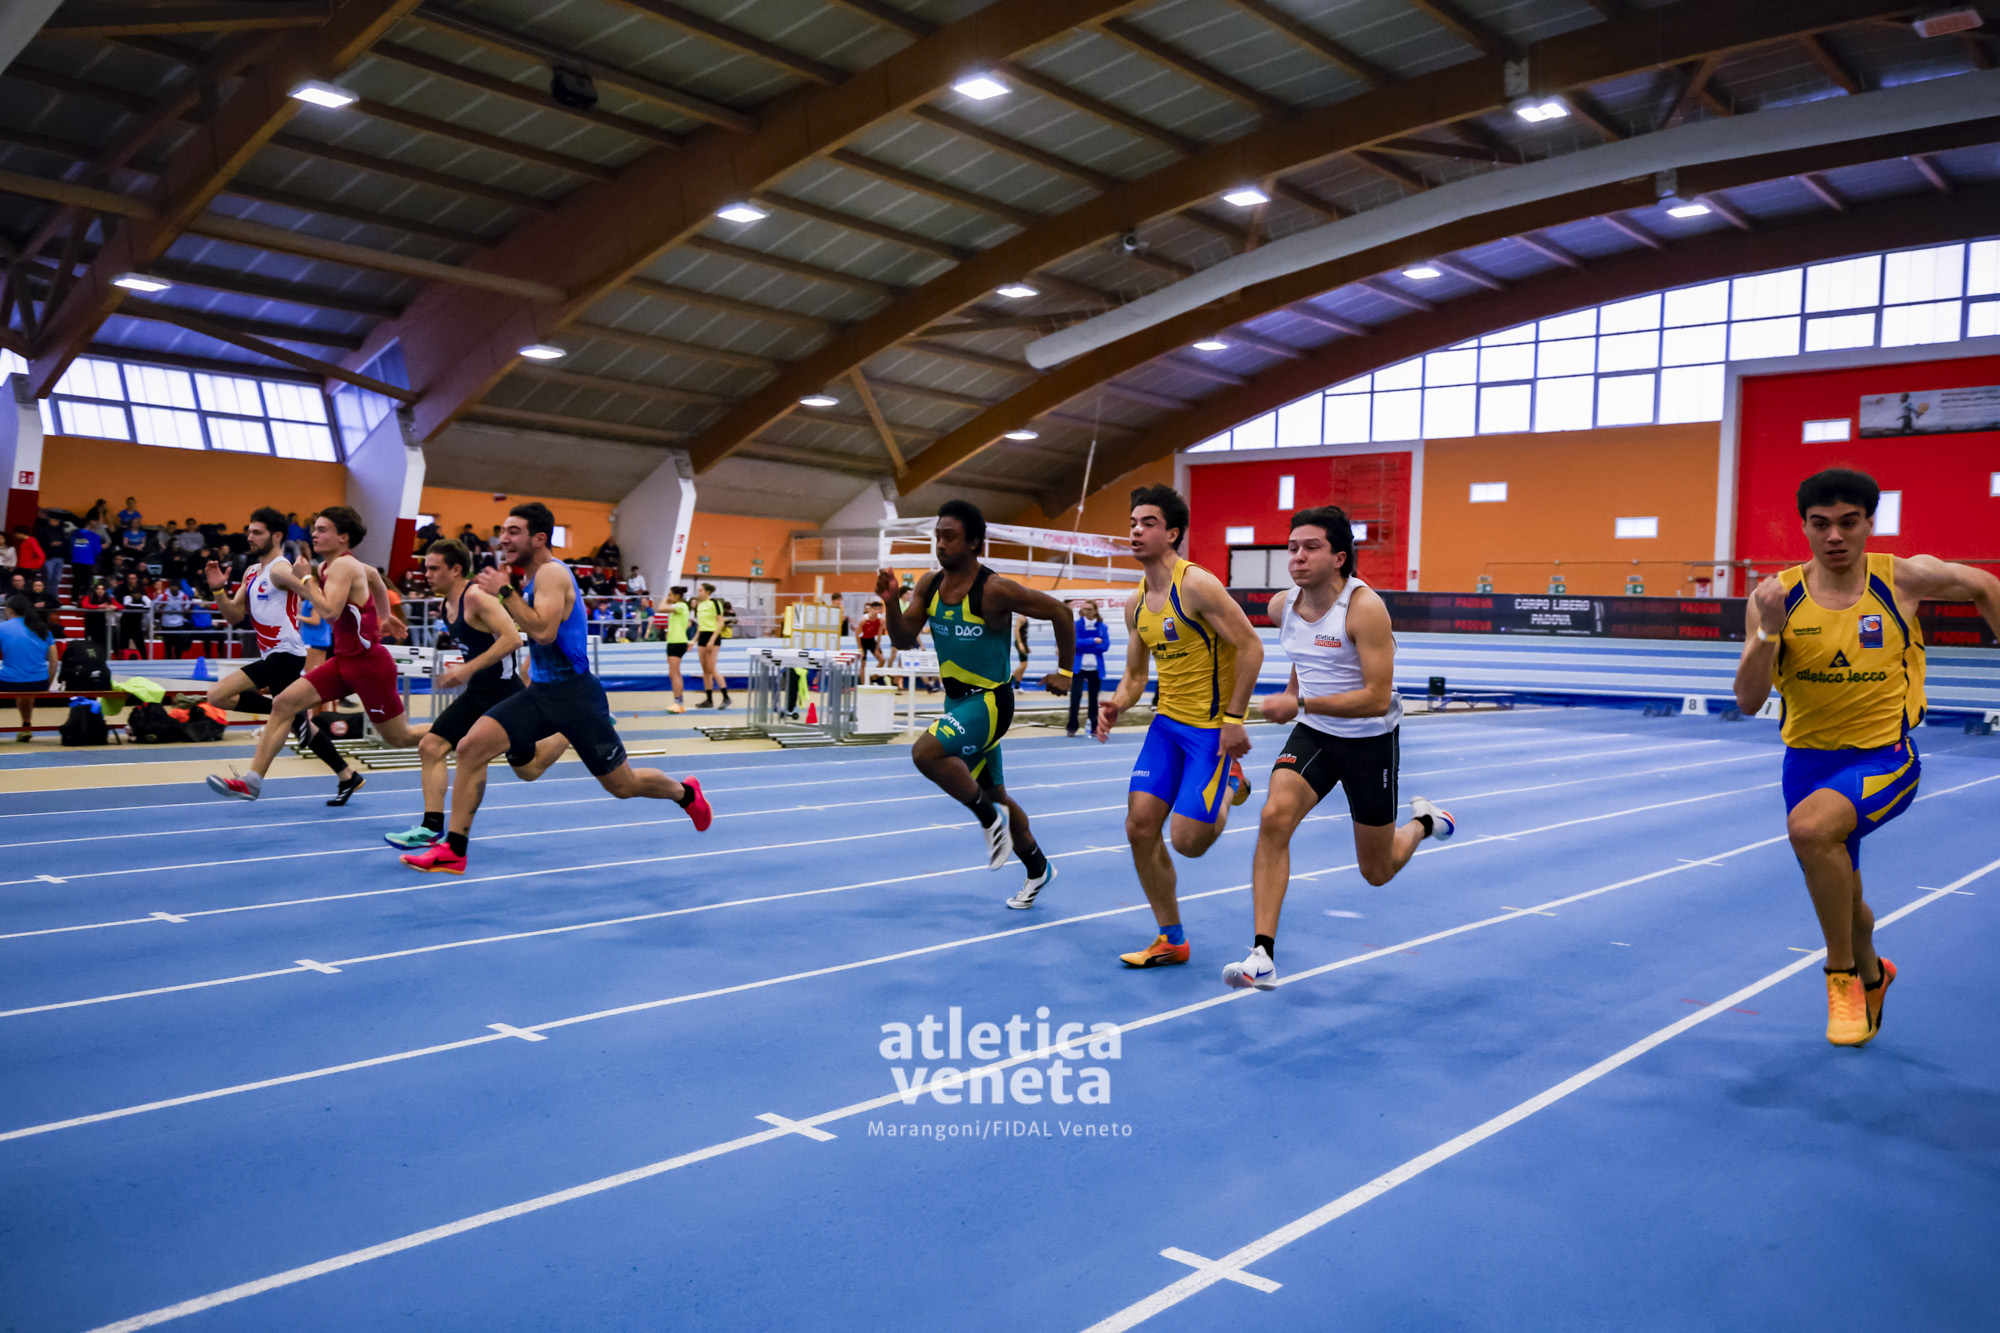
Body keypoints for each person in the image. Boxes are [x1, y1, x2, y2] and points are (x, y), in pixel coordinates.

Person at [1732, 468, 2000, 1046]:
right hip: (1806, 764)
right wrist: (1768, 633)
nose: (1835, 536)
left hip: (1887, 758)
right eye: (1821, 524)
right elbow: (1749, 701)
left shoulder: (1901, 578)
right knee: (1846, 899)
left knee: (1810, 831)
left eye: (1848, 522)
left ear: (1869, 524)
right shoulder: (1774, 599)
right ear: (1804, 527)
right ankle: (1877, 974)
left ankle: (1843, 977)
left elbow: (1983, 584)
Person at [400, 503, 712, 875]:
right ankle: (454, 850)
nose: (503, 539)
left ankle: (685, 793)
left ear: (539, 538)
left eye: (513, 531)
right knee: (470, 748)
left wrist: (505, 592)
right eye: (503, 531)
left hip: (577, 698)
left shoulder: (552, 573)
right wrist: (528, 664)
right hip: (542, 695)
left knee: (622, 785)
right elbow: (542, 642)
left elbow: (543, 631)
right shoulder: (533, 580)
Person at [1221, 508, 1456, 991]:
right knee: (1273, 817)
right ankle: (1262, 954)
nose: (1297, 557)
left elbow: (1376, 698)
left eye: (1311, 547)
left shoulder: (1364, 609)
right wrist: (1297, 696)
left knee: (1377, 870)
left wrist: (1299, 701)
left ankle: (1423, 822)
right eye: (1292, 548)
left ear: (1339, 557)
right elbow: (1302, 655)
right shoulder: (1281, 606)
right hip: (1315, 734)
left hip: (1369, 741)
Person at [877, 500, 1076, 908]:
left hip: (990, 703)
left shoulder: (994, 589)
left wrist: (1065, 671)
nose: (940, 544)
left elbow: (1060, 612)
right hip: (957, 704)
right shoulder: (929, 585)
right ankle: (1038, 867)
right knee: (996, 794)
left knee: (925, 753)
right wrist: (891, 601)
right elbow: (902, 638)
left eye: (949, 537)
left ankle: (989, 820)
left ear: (973, 542)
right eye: (937, 536)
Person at [1099, 485, 1265, 969]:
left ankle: (1231, 779)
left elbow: (1251, 647)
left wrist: (1234, 720)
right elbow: (1135, 676)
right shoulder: (1134, 603)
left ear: (1172, 533)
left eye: (1147, 523)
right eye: (1132, 523)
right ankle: (1171, 938)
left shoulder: (1196, 585)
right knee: (1139, 827)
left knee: (1189, 843)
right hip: (1167, 727)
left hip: (1211, 732)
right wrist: (1117, 704)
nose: (1136, 531)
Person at [204, 506, 419, 802]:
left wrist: (305, 580)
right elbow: (377, 580)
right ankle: (257, 781)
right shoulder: (321, 568)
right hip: (342, 661)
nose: (313, 534)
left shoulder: (331, 567)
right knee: (284, 706)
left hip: (362, 664)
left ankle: (458, 734)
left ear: (343, 537)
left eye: (321, 529)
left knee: (399, 737)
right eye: (314, 529)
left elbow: (329, 612)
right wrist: (385, 616)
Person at [384, 539, 566, 850]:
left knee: (528, 770)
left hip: (505, 696)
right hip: (478, 693)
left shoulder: (478, 597)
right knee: (431, 746)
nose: (426, 574)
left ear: (456, 570)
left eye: (434, 568)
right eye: (426, 568)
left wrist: (465, 670)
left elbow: (513, 639)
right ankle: (430, 828)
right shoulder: (447, 605)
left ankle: (570, 727)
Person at [1, 594, 60, 742]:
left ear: (9, 610)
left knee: (19, 683)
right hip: (38, 682)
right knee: (26, 689)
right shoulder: (42, 628)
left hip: (8, 683)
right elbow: (54, 660)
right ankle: (26, 724)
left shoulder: (2, 628)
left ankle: (26, 725)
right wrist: (47, 684)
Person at [1068, 600, 1109, 738]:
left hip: (1096, 668)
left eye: (1089, 609)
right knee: (1075, 697)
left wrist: (1085, 646)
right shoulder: (1076, 625)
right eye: (1084, 609)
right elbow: (1074, 643)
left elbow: (1105, 645)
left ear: (1095, 611)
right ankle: (1072, 727)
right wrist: (1093, 641)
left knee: (1093, 699)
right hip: (1079, 668)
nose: (1086, 611)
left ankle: (1093, 727)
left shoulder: (1102, 627)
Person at [693, 582, 728, 709]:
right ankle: (709, 700)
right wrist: (693, 640)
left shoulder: (715, 603)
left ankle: (726, 697)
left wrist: (712, 639)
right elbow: (700, 625)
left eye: (700, 590)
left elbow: (720, 622)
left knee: (712, 668)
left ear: (707, 592)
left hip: (712, 635)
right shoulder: (700, 605)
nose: (698, 593)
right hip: (702, 636)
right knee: (705, 670)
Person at [660, 586, 692, 712]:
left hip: (678, 642)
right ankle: (678, 702)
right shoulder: (678, 608)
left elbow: (661, 608)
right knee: (674, 673)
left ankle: (678, 702)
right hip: (673, 641)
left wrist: (665, 599)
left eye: (671, 594)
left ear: (677, 596)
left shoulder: (681, 606)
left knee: (674, 674)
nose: (669, 597)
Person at [856, 598, 887, 682]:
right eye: (875, 609)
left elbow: (879, 636)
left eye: (879, 609)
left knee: (882, 660)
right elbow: (857, 635)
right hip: (863, 641)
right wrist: (860, 649)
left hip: (872, 640)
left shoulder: (881, 619)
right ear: (871, 609)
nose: (877, 611)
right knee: (863, 663)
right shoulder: (864, 619)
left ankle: (873, 678)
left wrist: (877, 649)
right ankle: (863, 684)